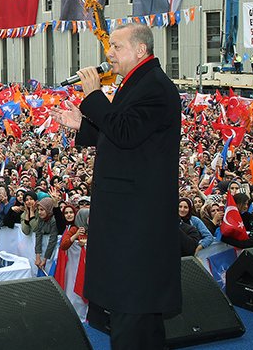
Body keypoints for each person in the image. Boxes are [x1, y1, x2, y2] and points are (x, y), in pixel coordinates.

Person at [51, 23, 182, 349]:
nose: (108, 54)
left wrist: (94, 96)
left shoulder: (153, 87)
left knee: (132, 308)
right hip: (132, 214)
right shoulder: (138, 83)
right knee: (138, 314)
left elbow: (124, 133)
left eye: (116, 47)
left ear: (140, 50)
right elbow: (130, 140)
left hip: (137, 220)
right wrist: (83, 125)